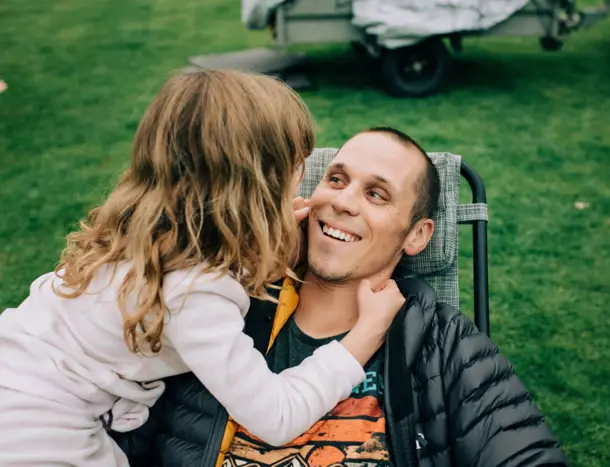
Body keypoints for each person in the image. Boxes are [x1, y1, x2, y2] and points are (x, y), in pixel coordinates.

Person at [0, 71, 407, 467]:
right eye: (296, 170)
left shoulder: (146, 233)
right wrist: (366, 333)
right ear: (257, 189)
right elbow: (276, 416)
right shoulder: (196, 292)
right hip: (36, 431)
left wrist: (265, 248)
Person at [116, 127, 571, 467]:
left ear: (417, 235)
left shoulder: (443, 344)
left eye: (376, 194)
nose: (344, 202)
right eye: (335, 179)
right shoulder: (217, 309)